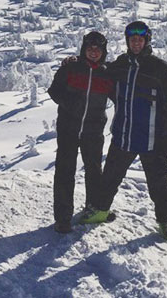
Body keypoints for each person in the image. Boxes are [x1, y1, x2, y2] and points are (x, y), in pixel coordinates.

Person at [80, 21, 167, 241]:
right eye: (132, 39)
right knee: (110, 178)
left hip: (151, 140)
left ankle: (165, 221)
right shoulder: (121, 65)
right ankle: (100, 210)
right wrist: (76, 62)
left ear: (146, 41)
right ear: (127, 41)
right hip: (124, 136)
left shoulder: (159, 69)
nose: (136, 42)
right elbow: (98, 71)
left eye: (140, 39)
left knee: (158, 184)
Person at [47, 31, 114, 233]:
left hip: (93, 129)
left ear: (103, 52)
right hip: (69, 127)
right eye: (90, 48)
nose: (93, 52)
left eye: (98, 49)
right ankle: (63, 218)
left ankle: (93, 209)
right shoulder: (72, 68)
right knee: (65, 170)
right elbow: (54, 91)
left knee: (94, 170)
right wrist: (70, 104)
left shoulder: (107, 72)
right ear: (84, 49)